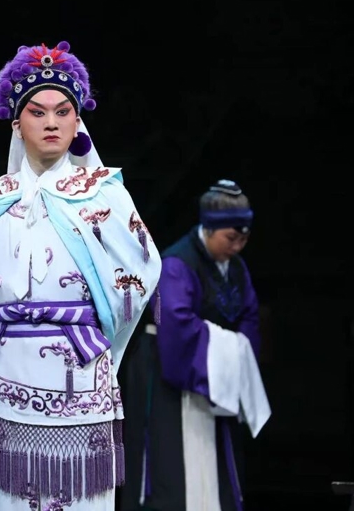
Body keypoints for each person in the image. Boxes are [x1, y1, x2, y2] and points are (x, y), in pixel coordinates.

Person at [0, 40, 162, 510]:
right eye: (38, 113)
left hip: (81, 371)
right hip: (10, 378)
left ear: (77, 122)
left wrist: (102, 312)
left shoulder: (103, 196)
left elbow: (142, 268)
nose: (51, 122)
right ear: (17, 123)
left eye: (63, 111)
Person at [119, 179, 271, 511]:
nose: (238, 246)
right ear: (209, 228)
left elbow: (249, 315)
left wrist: (237, 351)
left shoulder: (236, 268)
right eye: (231, 238)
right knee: (171, 462)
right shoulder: (177, 264)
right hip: (170, 367)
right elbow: (176, 322)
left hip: (218, 376)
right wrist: (227, 347)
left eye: (244, 239)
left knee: (217, 462)